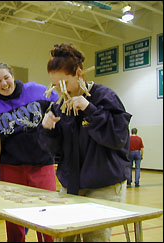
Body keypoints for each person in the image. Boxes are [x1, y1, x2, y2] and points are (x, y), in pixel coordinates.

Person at [37, 43, 132, 242]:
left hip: (103, 184)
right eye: (54, 85)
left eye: (63, 83)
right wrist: (47, 130)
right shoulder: (60, 105)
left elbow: (118, 138)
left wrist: (91, 109)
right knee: (65, 236)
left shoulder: (105, 97)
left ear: (79, 73)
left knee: (95, 238)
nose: (59, 89)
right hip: (72, 182)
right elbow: (56, 152)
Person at [0, 62, 59, 242]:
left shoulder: (36, 90)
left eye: (6, 78)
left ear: (12, 76)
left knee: (47, 214)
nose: (4, 83)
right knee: (14, 218)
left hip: (42, 164)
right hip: (11, 168)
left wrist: (53, 116)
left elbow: (60, 106)